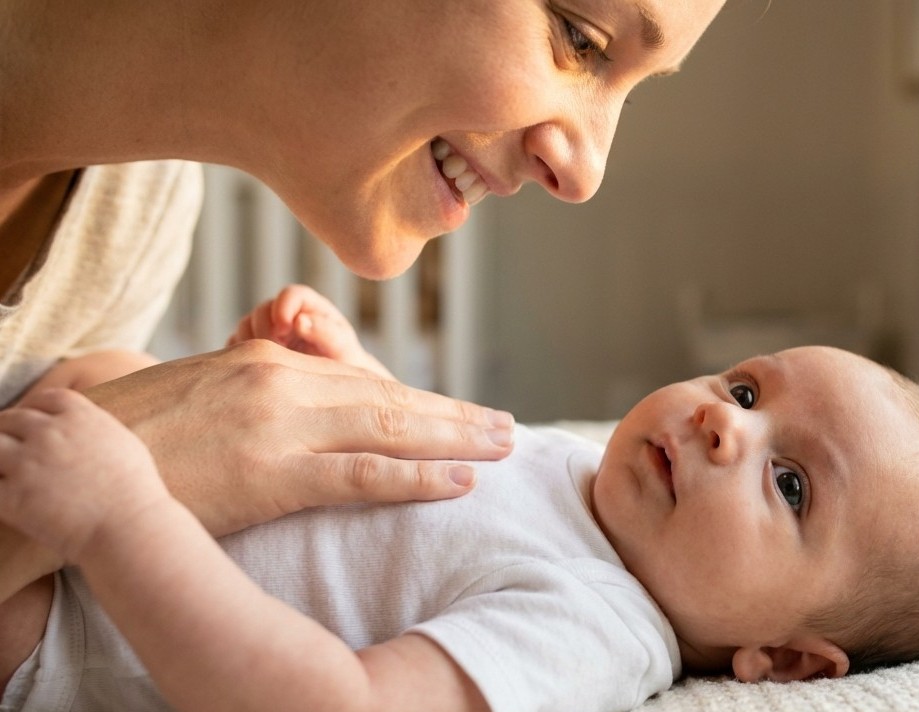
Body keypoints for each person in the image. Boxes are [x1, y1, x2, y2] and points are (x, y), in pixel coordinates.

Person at [0, 285, 919, 712]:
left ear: (782, 660)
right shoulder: (582, 470)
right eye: (745, 390)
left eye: (789, 485)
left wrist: (121, 519)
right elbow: (433, 502)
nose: (723, 425)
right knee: (109, 367)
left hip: (61, 619)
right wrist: (348, 382)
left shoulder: (597, 622)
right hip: (111, 471)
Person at [0, 0, 728, 569]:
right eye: (580, 39)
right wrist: (118, 474)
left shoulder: (136, 218)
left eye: (631, 94)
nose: (585, 173)